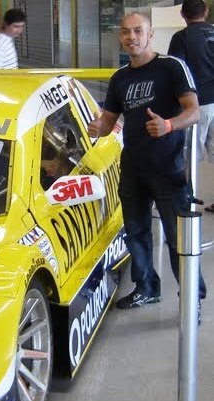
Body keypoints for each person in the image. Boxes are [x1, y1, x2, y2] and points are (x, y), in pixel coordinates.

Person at [88, 12, 207, 310]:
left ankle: (193, 298)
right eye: (126, 32)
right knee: (137, 232)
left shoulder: (171, 67)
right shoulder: (120, 78)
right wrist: (97, 128)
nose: (132, 37)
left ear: (150, 33)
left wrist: (168, 125)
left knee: (177, 239)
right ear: (120, 36)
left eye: (138, 31)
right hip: (133, 168)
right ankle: (146, 288)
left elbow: (194, 112)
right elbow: (109, 121)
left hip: (169, 169)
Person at [168, 0, 214, 212]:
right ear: (206, 12)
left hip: (198, 104)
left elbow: (176, 72)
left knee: (188, 155)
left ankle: (184, 201)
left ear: (182, 14)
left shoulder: (182, 38)